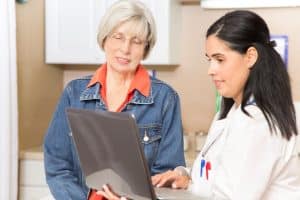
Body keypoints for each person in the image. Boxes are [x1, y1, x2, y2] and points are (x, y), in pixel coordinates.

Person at [43, 1, 185, 200]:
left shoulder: (165, 99)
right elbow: (57, 165)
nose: (125, 49)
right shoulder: (73, 93)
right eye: (118, 37)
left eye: (136, 41)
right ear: (104, 40)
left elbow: (166, 176)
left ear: (145, 47)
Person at [152, 10, 300, 200]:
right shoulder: (232, 109)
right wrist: (188, 179)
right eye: (209, 60)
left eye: (220, 59)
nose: (210, 70)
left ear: (250, 57)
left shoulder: (259, 122)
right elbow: (219, 178)